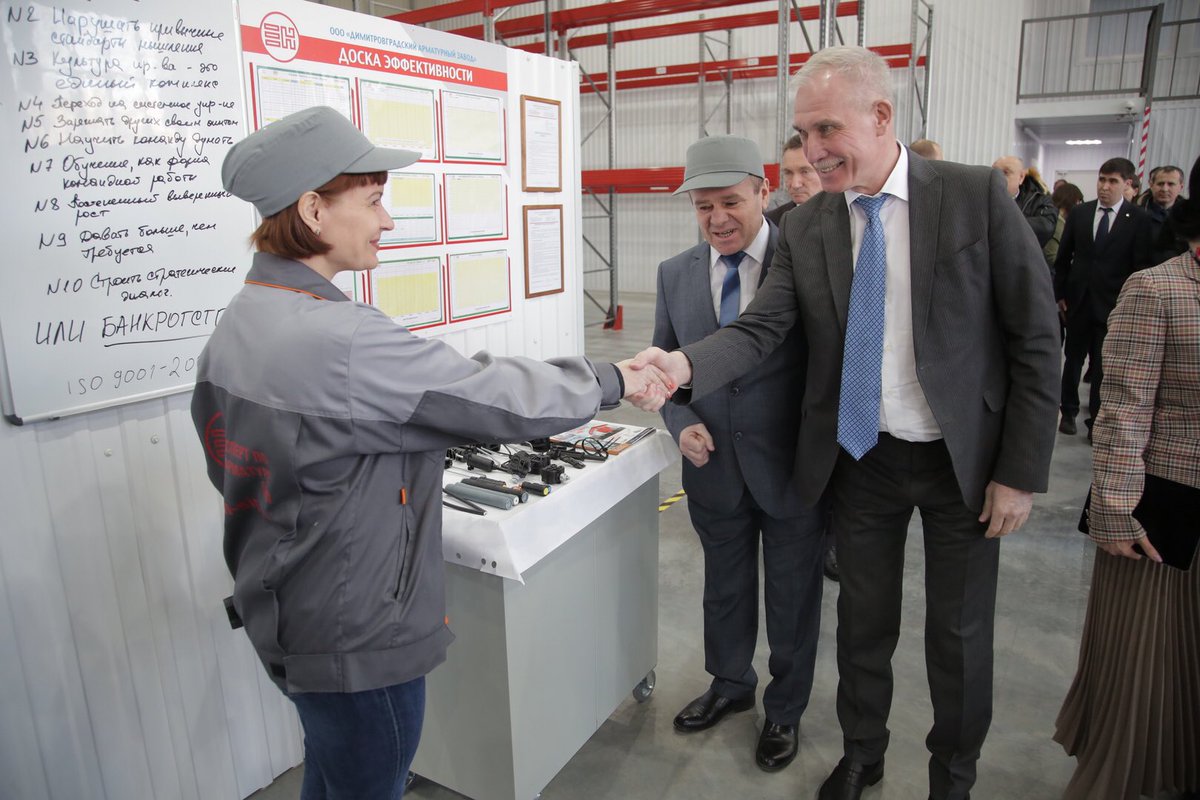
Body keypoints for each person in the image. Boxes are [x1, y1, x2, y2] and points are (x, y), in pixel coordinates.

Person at [191, 106, 669, 800]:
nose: (386, 220)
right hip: (355, 636)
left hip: (284, 609)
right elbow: (491, 395)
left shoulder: (241, 320)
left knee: (332, 772)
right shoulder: (339, 339)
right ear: (314, 210)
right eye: (372, 200)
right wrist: (613, 378)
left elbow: (229, 463)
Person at [631, 46, 1060, 800]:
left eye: (827, 129)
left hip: (963, 463)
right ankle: (864, 753)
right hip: (864, 458)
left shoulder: (971, 197)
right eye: (804, 133)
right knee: (863, 624)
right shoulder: (809, 226)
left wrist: (1019, 473)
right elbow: (760, 329)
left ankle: (953, 779)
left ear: (880, 116)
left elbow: (1035, 337)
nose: (814, 149)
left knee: (958, 636)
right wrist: (681, 366)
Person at [654, 135, 826, 772]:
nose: (717, 218)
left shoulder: (806, 262)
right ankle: (730, 684)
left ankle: (785, 708)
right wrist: (680, 424)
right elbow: (667, 374)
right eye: (703, 206)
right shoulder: (674, 273)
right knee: (723, 589)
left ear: (763, 190)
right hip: (713, 468)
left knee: (792, 597)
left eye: (731, 201)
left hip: (790, 468)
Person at [1054, 154, 1200, 800]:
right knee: (1151, 660)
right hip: (1165, 504)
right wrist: (1114, 508)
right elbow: (1123, 408)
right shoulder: (1159, 290)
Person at [1054, 157, 1152, 440]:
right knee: (1073, 359)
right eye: (1101, 179)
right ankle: (1068, 410)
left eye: (1112, 181)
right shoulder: (1081, 213)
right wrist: (1060, 294)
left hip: (1113, 305)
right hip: (1079, 301)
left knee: (1102, 365)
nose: (1105, 186)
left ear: (1127, 183)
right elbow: (1063, 259)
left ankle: (1096, 420)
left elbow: (1140, 266)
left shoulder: (1138, 219)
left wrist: (1131, 305)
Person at [992, 155, 1058, 248]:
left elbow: (1046, 227)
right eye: (994, 173)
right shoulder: (981, 197)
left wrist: (1005, 224)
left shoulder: (1038, 200)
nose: (998, 178)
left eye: (1006, 173)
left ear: (1021, 177)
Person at [767, 133, 823, 225]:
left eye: (805, 172)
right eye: (788, 173)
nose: (795, 184)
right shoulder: (772, 222)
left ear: (825, 170)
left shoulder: (847, 215)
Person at [1142, 164, 1188, 266]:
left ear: (1181, 187)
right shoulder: (1136, 215)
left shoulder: (1190, 219)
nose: (1164, 189)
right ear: (1151, 185)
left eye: (1171, 184)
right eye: (1160, 184)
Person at [1044, 181, 1084, 272]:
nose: (1080, 205)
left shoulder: (1058, 221)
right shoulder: (1056, 223)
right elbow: (1053, 258)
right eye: (1078, 201)